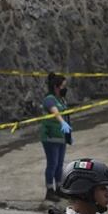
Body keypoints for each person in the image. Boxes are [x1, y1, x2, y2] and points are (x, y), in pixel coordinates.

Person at [42, 72, 73, 202]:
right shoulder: (49, 99)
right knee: (52, 164)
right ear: (56, 86)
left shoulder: (61, 99)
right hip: (50, 137)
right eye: (63, 86)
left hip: (61, 137)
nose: (65, 88)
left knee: (59, 164)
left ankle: (59, 188)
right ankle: (50, 190)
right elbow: (55, 112)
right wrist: (62, 123)